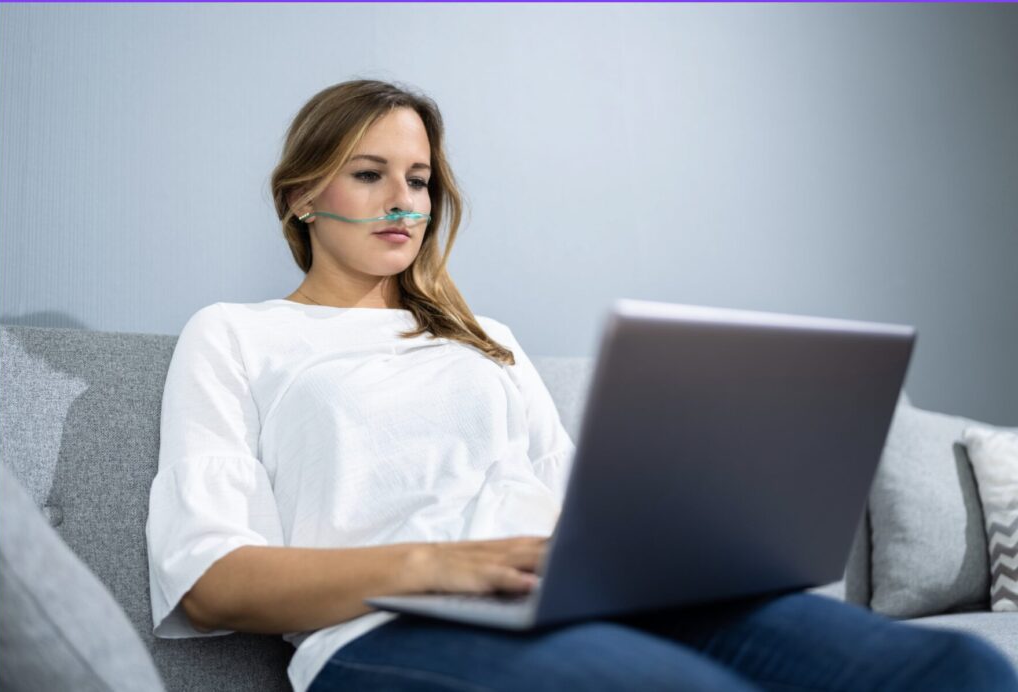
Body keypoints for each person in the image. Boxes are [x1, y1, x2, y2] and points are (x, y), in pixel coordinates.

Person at [145, 79, 1017, 692]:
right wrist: (436, 566)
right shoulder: (237, 335)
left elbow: (573, 504)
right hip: (384, 630)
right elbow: (211, 579)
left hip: (576, 599)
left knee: (962, 668)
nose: (403, 203)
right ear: (302, 196)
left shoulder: (486, 340)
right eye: (369, 174)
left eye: (418, 180)